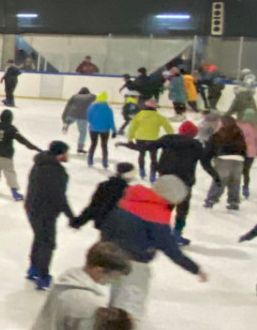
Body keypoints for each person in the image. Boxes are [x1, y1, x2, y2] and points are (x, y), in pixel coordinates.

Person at [26, 242, 133, 330]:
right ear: (99, 270)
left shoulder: (69, 278)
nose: (115, 281)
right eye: (115, 276)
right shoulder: (89, 302)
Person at [100, 176, 207, 319]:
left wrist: (105, 252)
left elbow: (107, 227)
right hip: (135, 266)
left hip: (112, 259)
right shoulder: (156, 214)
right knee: (129, 310)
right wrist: (195, 269)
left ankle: (106, 328)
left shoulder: (128, 199)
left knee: (115, 301)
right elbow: (171, 249)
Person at [153, 121, 217, 242]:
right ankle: (177, 233)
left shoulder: (168, 139)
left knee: (164, 207)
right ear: (194, 133)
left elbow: (149, 146)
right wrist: (216, 177)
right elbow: (205, 163)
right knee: (182, 209)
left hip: (166, 179)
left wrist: (130, 145)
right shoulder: (196, 145)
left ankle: (159, 232)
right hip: (185, 181)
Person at [25, 142, 74, 290]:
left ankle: (34, 268)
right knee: (47, 243)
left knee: (39, 238)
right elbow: (59, 197)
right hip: (46, 211)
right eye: (66, 152)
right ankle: (43, 276)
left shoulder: (39, 164)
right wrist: (71, 216)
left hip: (32, 208)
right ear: (60, 154)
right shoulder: (57, 172)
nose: (68, 155)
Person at [0, 109, 39, 199]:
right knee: (9, 171)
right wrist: (35, 148)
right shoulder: (11, 128)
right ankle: (15, 193)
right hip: (6, 154)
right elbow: (22, 140)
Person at [202, 114, 247, 211]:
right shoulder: (239, 134)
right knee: (234, 182)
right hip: (238, 160)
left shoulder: (219, 134)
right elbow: (244, 148)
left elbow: (211, 148)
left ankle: (211, 199)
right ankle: (234, 201)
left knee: (219, 181)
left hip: (223, 159)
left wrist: (206, 160)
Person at [71, 163, 135, 230]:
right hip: (120, 226)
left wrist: (79, 221)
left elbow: (93, 206)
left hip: (103, 223)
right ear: (126, 175)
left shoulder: (104, 186)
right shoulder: (128, 190)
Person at [124, 101, 173, 180]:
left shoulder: (139, 115)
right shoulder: (159, 117)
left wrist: (130, 138)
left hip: (140, 138)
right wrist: (171, 137)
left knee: (141, 154)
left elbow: (132, 127)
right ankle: (153, 174)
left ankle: (142, 171)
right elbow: (168, 127)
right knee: (153, 157)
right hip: (153, 139)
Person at [60, 86, 96, 155]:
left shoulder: (74, 96)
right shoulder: (90, 97)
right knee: (82, 132)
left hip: (72, 114)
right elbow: (96, 97)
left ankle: (67, 123)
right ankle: (80, 147)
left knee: (70, 119)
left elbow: (68, 105)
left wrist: (64, 117)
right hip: (83, 116)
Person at [85, 91, 116, 168]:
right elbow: (111, 121)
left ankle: (90, 159)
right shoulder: (108, 109)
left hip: (93, 129)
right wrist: (114, 130)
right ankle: (105, 161)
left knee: (93, 144)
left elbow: (88, 118)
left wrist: (93, 124)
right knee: (104, 145)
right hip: (105, 130)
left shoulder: (91, 108)